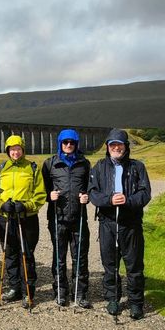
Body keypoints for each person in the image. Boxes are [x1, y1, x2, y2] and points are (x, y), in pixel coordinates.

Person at [88, 128, 151, 320]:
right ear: (107, 147)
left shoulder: (137, 167)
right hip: (107, 222)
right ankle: (113, 299)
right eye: (112, 144)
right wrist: (109, 200)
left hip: (130, 223)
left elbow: (145, 193)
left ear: (126, 147)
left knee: (134, 266)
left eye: (119, 144)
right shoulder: (99, 167)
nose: (116, 148)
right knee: (110, 264)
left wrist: (128, 200)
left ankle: (135, 303)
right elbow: (93, 193)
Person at [0, 135, 46, 308]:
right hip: (5, 218)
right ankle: (14, 288)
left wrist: (26, 205)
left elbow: (40, 194)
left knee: (26, 254)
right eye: (11, 149)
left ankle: (28, 291)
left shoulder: (33, 168)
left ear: (23, 149)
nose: (15, 152)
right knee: (10, 253)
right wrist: (1, 204)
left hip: (26, 218)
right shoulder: (1, 168)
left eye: (18, 148)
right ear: (7, 151)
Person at [42, 129, 92, 308]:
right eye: (65, 142)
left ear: (76, 144)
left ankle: (80, 293)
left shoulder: (84, 164)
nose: (68, 145)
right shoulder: (49, 164)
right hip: (57, 217)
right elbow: (43, 190)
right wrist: (50, 196)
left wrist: (87, 197)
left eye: (72, 142)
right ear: (60, 143)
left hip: (78, 218)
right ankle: (60, 292)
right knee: (59, 257)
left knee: (80, 257)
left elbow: (90, 188)